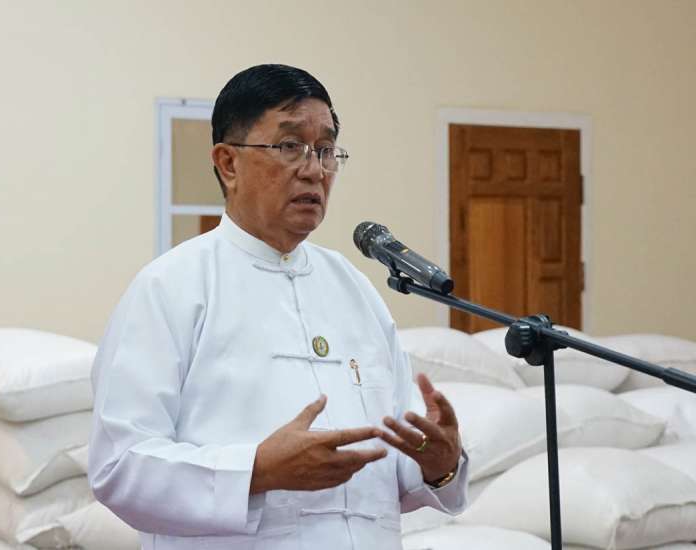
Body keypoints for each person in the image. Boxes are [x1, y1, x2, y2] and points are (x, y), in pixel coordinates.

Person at [88, 64, 468, 550]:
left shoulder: (354, 288)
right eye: (290, 146)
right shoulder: (170, 287)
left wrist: (437, 465)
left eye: (326, 150)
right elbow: (119, 466)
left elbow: (385, 472)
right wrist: (256, 471)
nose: (314, 170)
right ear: (228, 163)